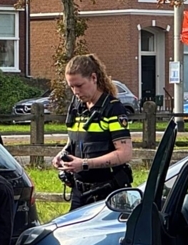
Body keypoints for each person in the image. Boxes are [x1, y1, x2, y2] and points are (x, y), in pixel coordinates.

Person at [52, 54, 134, 210]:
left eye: (80, 85)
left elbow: (125, 153)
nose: (76, 91)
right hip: (79, 191)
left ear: (94, 78)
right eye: (71, 87)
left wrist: (83, 164)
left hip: (108, 192)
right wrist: (61, 155)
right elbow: (75, 141)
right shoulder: (77, 106)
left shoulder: (112, 108)